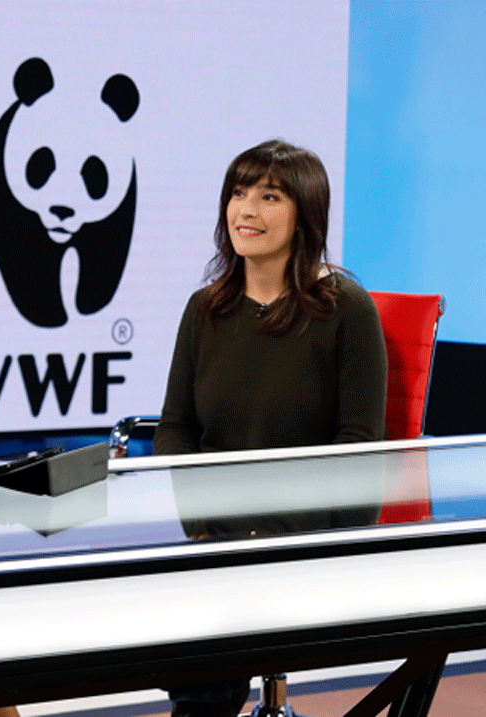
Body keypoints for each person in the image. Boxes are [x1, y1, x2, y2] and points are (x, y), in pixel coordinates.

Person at [153, 139, 388, 717]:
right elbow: (175, 430)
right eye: (238, 193)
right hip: (216, 536)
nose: (247, 210)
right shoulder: (204, 309)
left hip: (304, 539)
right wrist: (201, 525)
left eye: (270, 197)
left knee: (207, 647)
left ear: (305, 215)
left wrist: (287, 538)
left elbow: (359, 448)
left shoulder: (346, 309)